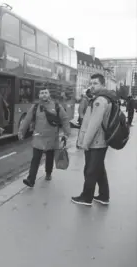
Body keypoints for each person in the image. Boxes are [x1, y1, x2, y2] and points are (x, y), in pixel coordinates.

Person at [72, 73, 117, 206]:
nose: (92, 86)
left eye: (95, 83)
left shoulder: (100, 100)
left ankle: (86, 197)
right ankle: (104, 195)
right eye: (91, 83)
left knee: (90, 170)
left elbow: (93, 124)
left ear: (103, 84)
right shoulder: (106, 98)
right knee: (98, 169)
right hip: (101, 141)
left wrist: (85, 143)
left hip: (96, 142)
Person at [18, 88, 71, 188]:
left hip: (52, 138)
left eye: (46, 92)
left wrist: (67, 133)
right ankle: (31, 180)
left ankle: (48, 173)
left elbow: (64, 119)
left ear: (49, 94)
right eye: (42, 93)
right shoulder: (35, 107)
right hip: (39, 138)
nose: (44, 95)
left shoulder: (56, 106)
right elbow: (26, 120)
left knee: (49, 157)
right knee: (35, 159)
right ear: (39, 95)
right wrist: (21, 132)